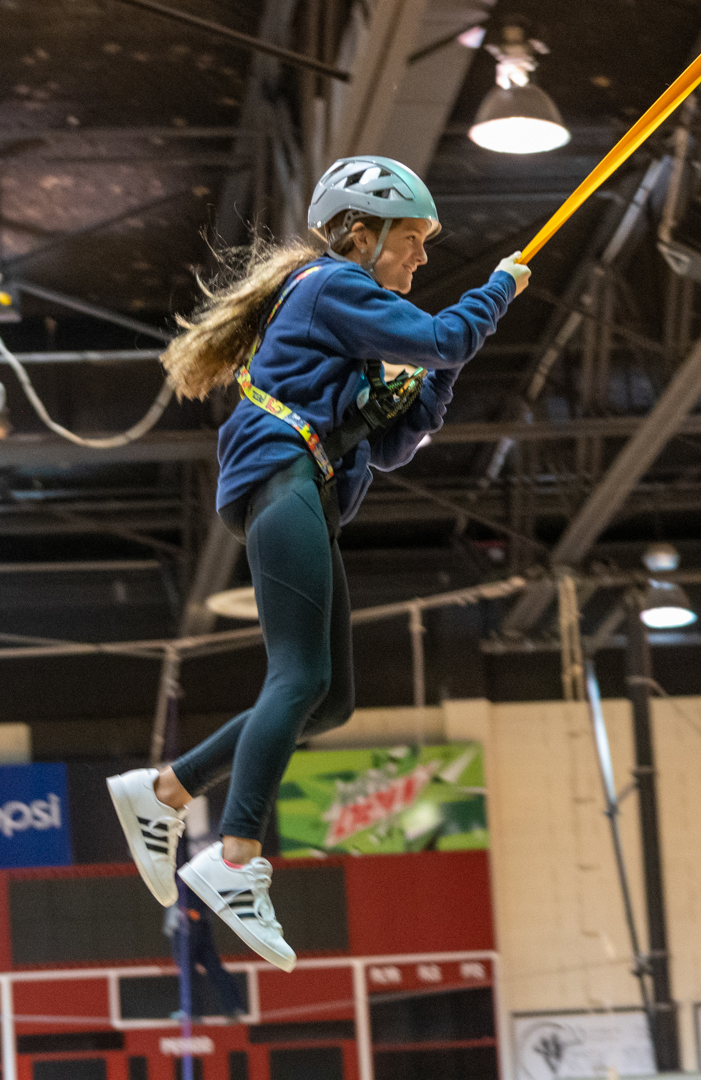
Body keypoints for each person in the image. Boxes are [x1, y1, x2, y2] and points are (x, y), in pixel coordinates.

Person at [106, 156, 530, 972]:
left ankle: (162, 790)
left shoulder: (357, 323)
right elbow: (445, 333)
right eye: (410, 241)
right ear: (361, 236)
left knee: (327, 701)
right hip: (284, 477)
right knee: (296, 680)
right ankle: (233, 859)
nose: (421, 258)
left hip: (304, 488)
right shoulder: (330, 286)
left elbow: (395, 443)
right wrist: (499, 292)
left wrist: (431, 384)